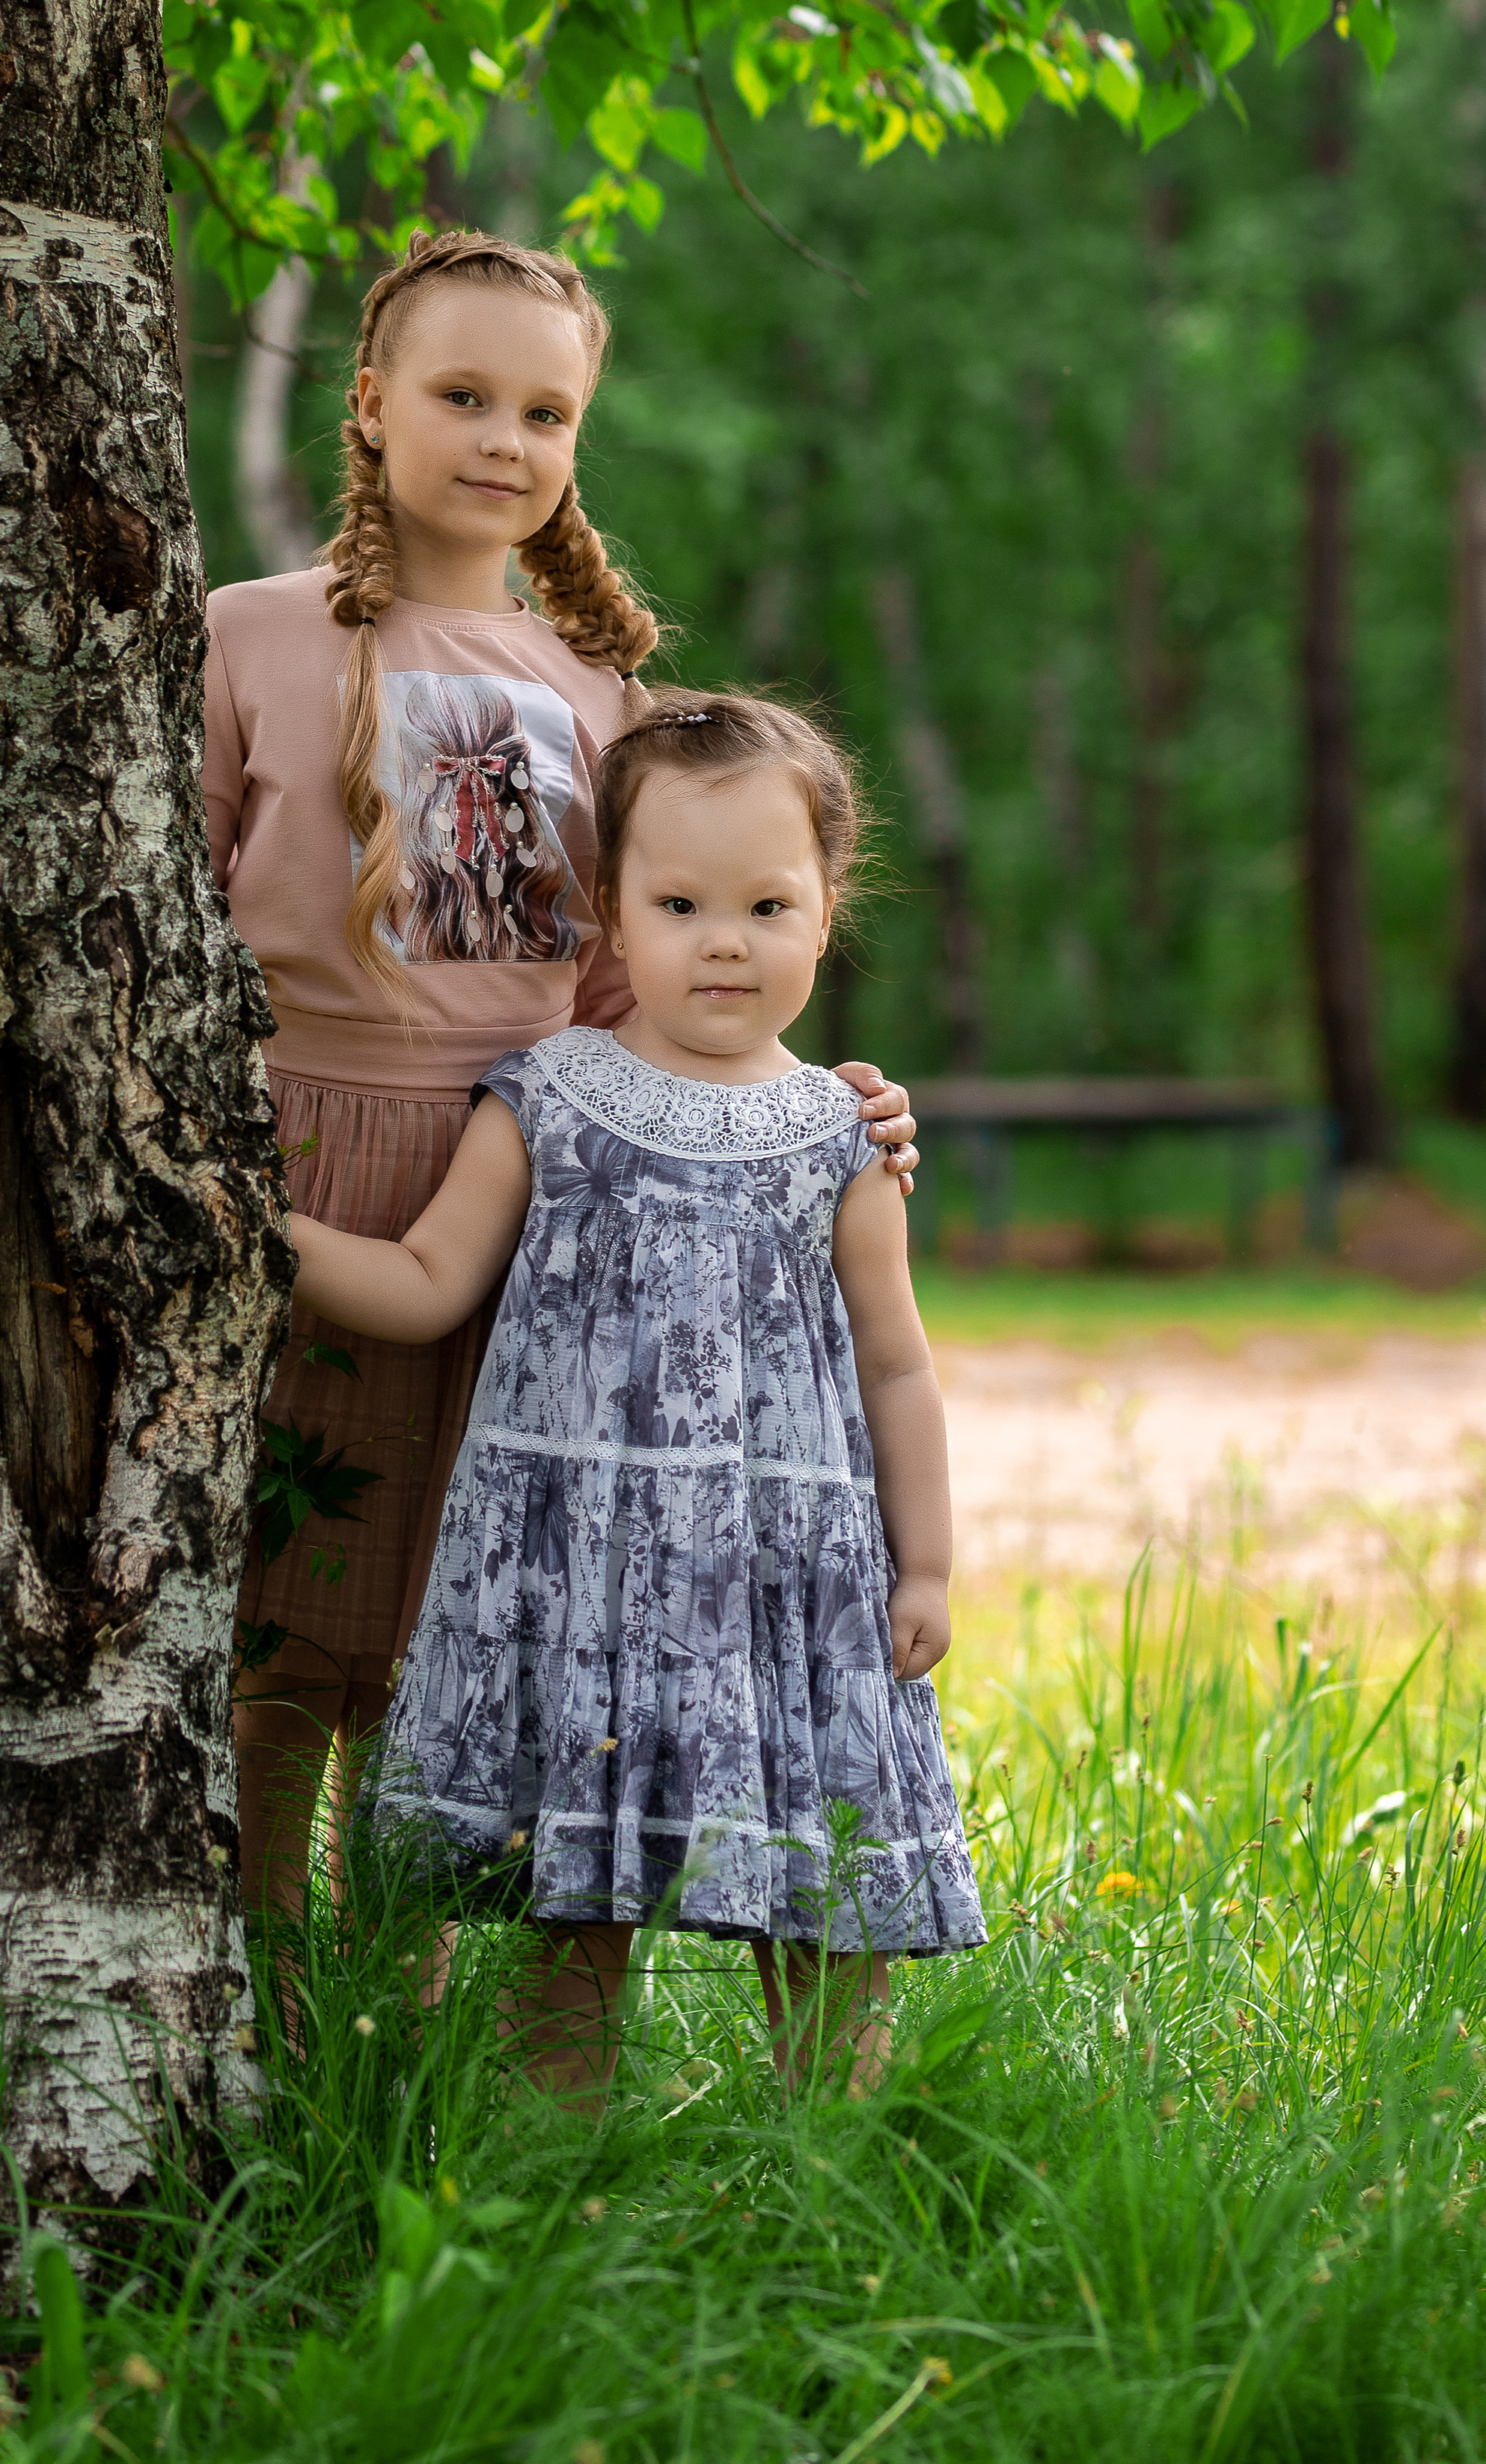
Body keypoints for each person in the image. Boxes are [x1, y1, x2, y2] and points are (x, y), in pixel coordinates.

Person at [203, 230, 920, 1914]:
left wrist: (816, 1105)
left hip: (527, 1194)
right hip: (281, 1156)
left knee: (450, 1613)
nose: (505, 440)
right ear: (370, 408)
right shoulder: (244, 636)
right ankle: (261, 1988)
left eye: (547, 412)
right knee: (276, 1622)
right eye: (463, 397)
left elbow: (640, 982)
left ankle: (407, 2010)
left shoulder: (603, 697)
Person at [287, 690, 985, 2091]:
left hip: (787, 1578)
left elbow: (897, 1360)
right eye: (677, 904)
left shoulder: (840, 1135)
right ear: (607, 914)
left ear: (826, 911)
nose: (724, 941)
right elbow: (429, 1281)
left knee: (823, 1891)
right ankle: (559, 2170)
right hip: (583, 1573)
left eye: (767, 907)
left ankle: (833, 2154)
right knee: (576, 1896)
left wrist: (930, 1565)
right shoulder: (545, 1095)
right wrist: (259, 1232)